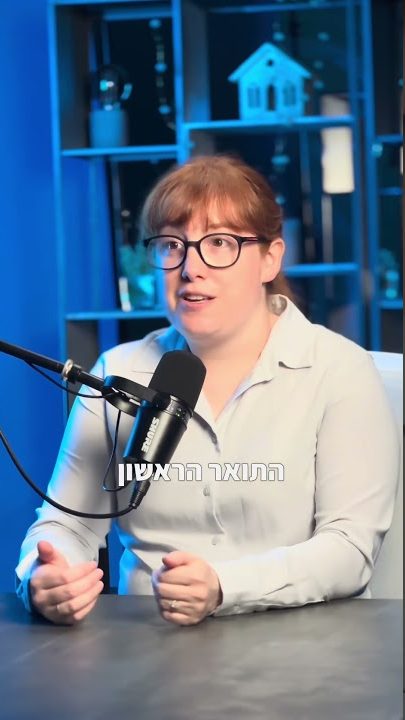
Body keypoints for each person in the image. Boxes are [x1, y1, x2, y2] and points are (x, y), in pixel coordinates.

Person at [16, 154, 400, 627]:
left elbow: (349, 549)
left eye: (219, 243)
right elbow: (68, 523)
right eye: (171, 245)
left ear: (270, 258)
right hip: (145, 645)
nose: (190, 268)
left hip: (305, 645)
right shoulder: (119, 371)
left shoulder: (339, 370)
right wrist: (43, 576)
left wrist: (223, 586)